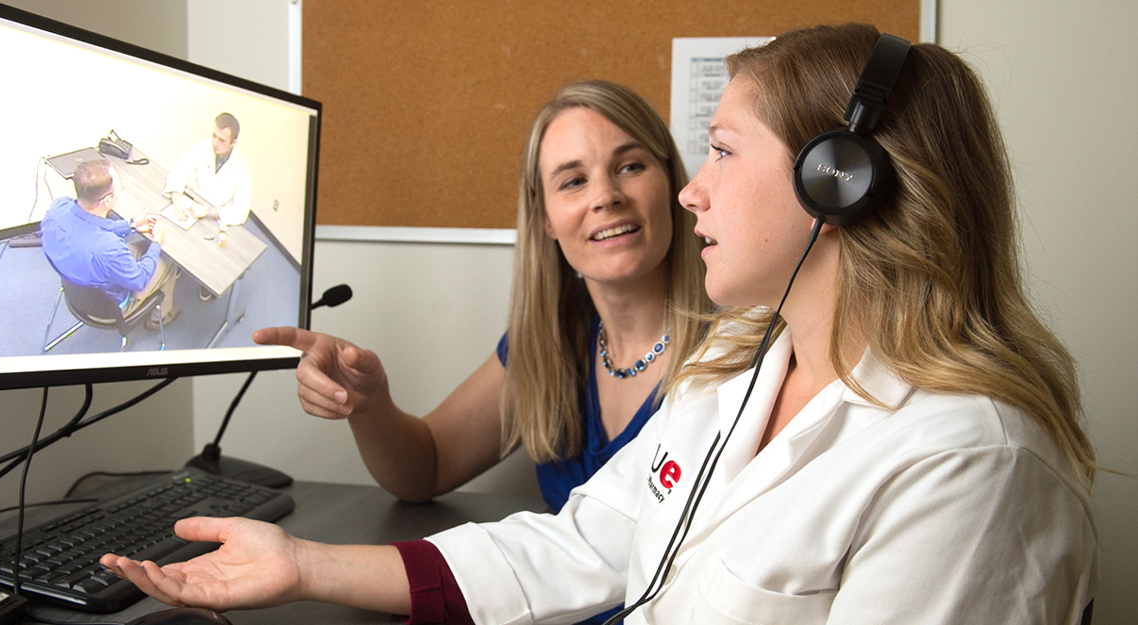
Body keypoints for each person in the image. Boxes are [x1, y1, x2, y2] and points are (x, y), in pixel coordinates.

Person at [101, 24, 1097, 624]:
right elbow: (582, 545)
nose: (693, 191)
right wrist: (302, 564)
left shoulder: (971, 466)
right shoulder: (743, 371)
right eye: (570, 180)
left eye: (714, 153)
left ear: (833, 182)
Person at [253, 79, 709, 518]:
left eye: (630, 167)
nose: (606, 197)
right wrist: (370, 404)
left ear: (672, 184)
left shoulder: (741, 349)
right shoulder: (553, 334)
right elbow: (426, 469)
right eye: (573, 181)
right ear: (546, 219)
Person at [41, 159, 179, 326]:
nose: (120, 191)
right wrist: (157, 240)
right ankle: (161, 318)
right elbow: (139, 280)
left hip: (74, 291)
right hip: (106, 309)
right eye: (119, 189)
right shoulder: (110, 250)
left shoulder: (56, 209)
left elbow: (92, 225)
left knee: (141, 248)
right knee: (168, 259)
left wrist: (132, 225)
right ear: (107, 201)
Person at [164, 112, 253, 244]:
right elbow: (179, 171)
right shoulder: (204, 146)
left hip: (219, 218)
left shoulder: (241, 167)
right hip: (194, 206)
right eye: (214, 136)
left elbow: (241, 211)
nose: (215, 143)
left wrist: (209, 212)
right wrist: (176, 199)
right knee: (172, 239)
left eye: (222, 140)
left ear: (233, 142)